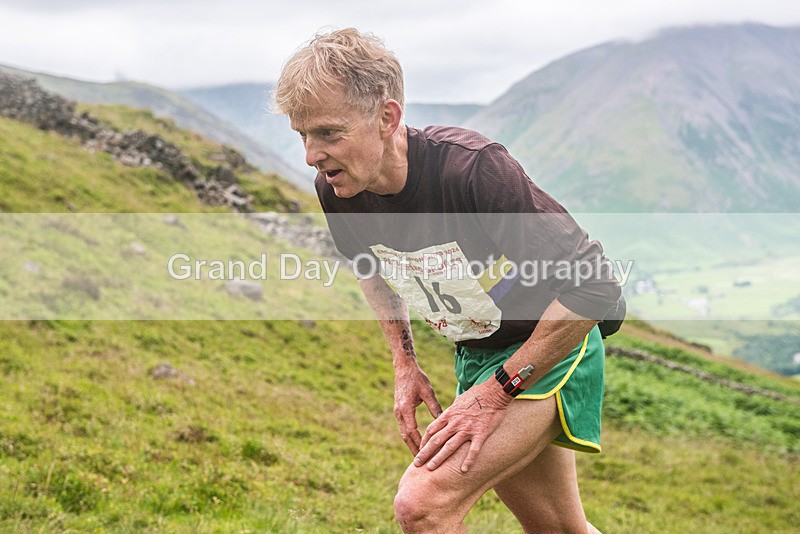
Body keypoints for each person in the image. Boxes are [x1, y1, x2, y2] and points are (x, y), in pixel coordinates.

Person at [274, 27, 624, 533]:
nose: (311, 155)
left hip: (549, 347)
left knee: (424, 505)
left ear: (387, 117)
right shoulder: (339, 189)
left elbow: (594, 286)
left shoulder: (473, 171)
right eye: (302, 135)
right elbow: (369, 266)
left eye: (328, 133)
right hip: (480, 356)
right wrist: (404, 364)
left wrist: (495, 393)